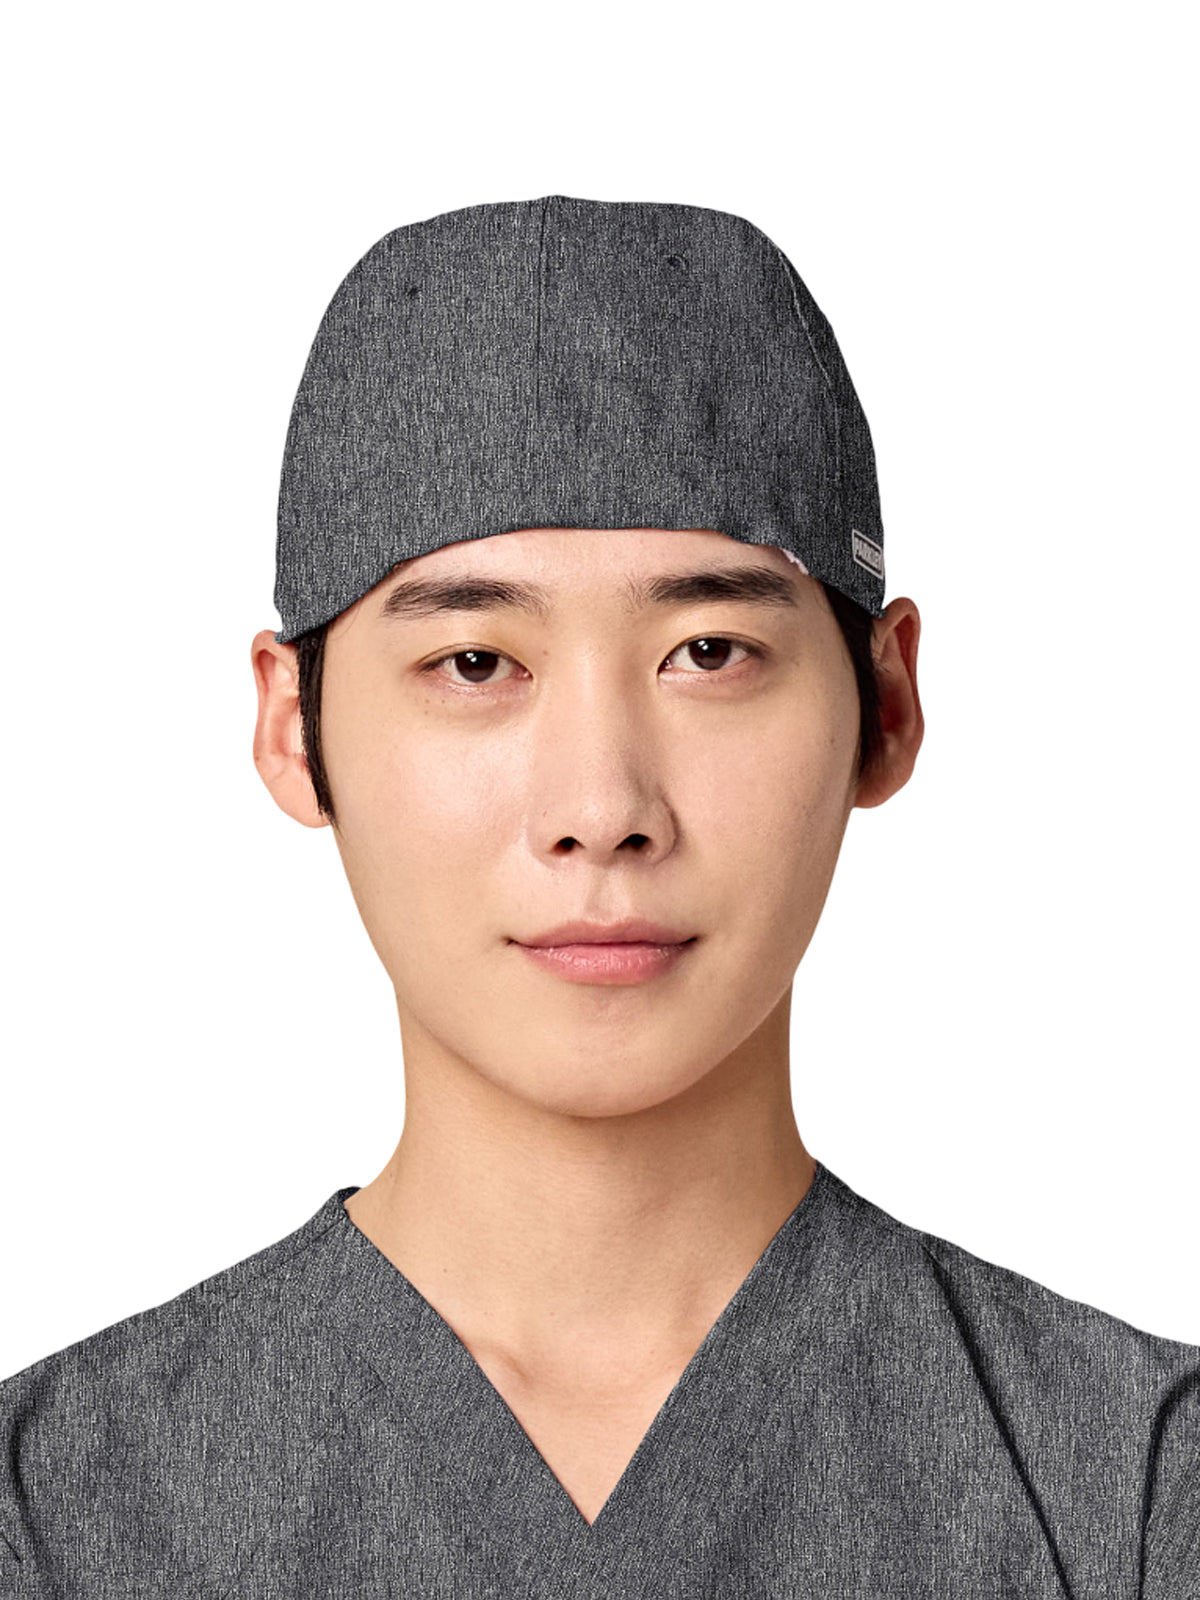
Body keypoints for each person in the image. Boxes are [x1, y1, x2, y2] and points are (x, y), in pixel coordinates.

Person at [1, 194, 1195, 1597]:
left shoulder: (1133, 1497)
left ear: (884, 706)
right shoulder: (56, 1518)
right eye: (474, 665)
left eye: (709, 652)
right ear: (293, 728)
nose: (601, 807)